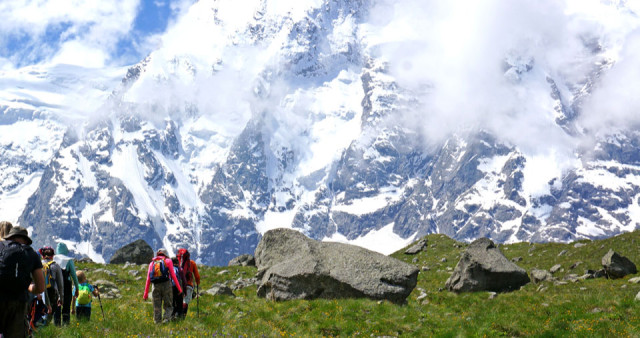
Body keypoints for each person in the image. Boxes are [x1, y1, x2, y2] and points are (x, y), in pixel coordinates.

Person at [0, 226, 45, 337]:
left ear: (10, 237)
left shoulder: (0, 247)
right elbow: (40, 287)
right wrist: (29, 287)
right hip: (19, 304)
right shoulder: (32, 254)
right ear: (26, 240)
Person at [143, 249, 182, 323]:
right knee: (168, 305)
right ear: (166, 254)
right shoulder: (168, 261)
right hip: (166, 284)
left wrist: (145, 294)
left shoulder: (152, 263)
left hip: (155, 285)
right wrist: (179, 289)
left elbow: (148, 279)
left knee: (156, 306)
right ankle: (166, 319)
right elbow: (173, 275)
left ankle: (157, 322)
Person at [54, 242, 80, 325]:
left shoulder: (53, 259)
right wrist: (77, 288)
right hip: (66, 284)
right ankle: (66, 323)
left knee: (56, 304)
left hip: (56, 285)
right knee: (66, 304)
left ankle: (56, 323)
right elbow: (74, 275)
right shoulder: (69, 260)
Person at [39, 246, 64, 326]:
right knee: (49, 315)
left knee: (39, 313)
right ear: (53, 256)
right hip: (52, 292)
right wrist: (61, 297)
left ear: (42, 255)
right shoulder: (56, 266)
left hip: (40, 291)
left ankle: (39, 329)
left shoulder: (39, 265)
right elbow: (60, 284)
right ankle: (45, 329)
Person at [178, 248, 200, 317]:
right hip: (189, 285)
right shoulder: (192, 263)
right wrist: (197, 282)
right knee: (185, 301)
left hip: (179, 284)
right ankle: (183, 316)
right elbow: (197, 276)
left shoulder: (177, 262)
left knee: (178, 300)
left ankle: (177, 315)